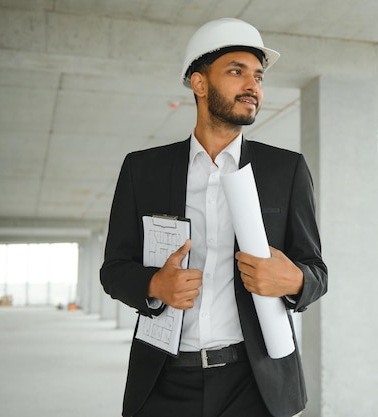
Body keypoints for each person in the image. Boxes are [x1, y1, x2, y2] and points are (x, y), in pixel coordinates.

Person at [100, 18, 328, 417]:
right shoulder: (143, 170)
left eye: (258, 76)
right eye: (236, 72)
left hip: (254, 383)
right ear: (199, 84)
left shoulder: (285, 170)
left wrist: (293, 280)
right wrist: (155, 283)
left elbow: (316, 271)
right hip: (164, 381)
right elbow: (114, 269)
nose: (253, 86)